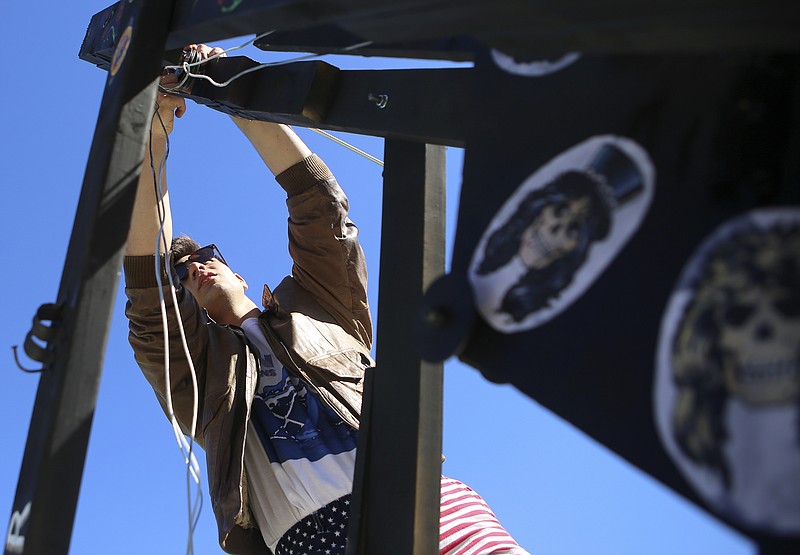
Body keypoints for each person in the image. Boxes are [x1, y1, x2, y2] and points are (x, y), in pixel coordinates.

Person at [124, 44, 528, 555]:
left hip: (429, 506)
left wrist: (228, 85)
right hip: (309, 541)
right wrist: (152, 128)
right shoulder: (196, 373)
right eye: (182, 274)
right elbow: (147, 291)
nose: (194, 269)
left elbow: (319, 203)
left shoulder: (320, 306)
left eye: (204, 256)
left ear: (239, 273)